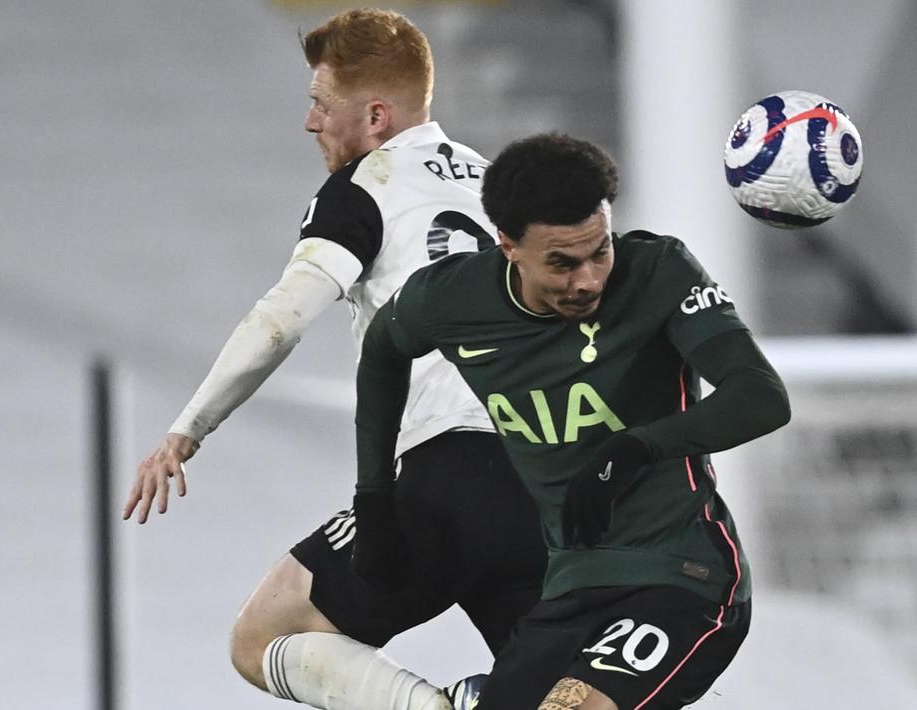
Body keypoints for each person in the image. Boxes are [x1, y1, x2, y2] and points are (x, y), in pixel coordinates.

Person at [121, 9, 545, 710]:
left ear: (375, 116)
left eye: (321, 104)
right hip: (548, 481)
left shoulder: (365, 187)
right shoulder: (507, 186)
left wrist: (186, 429)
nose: (310, 122)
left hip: (446, 476)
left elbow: (280, 320)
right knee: (560, 694)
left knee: (260, 639)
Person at [353, 133, 791, 710]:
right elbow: (382, 354)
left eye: (599, 252)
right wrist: (373, 497)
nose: (588, 280)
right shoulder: (451, 299)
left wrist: (635, 448)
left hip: (684, 577)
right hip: (570, 587)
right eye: (562, 263)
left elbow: (761, 395)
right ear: (508, 245)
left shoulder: (660, 271)